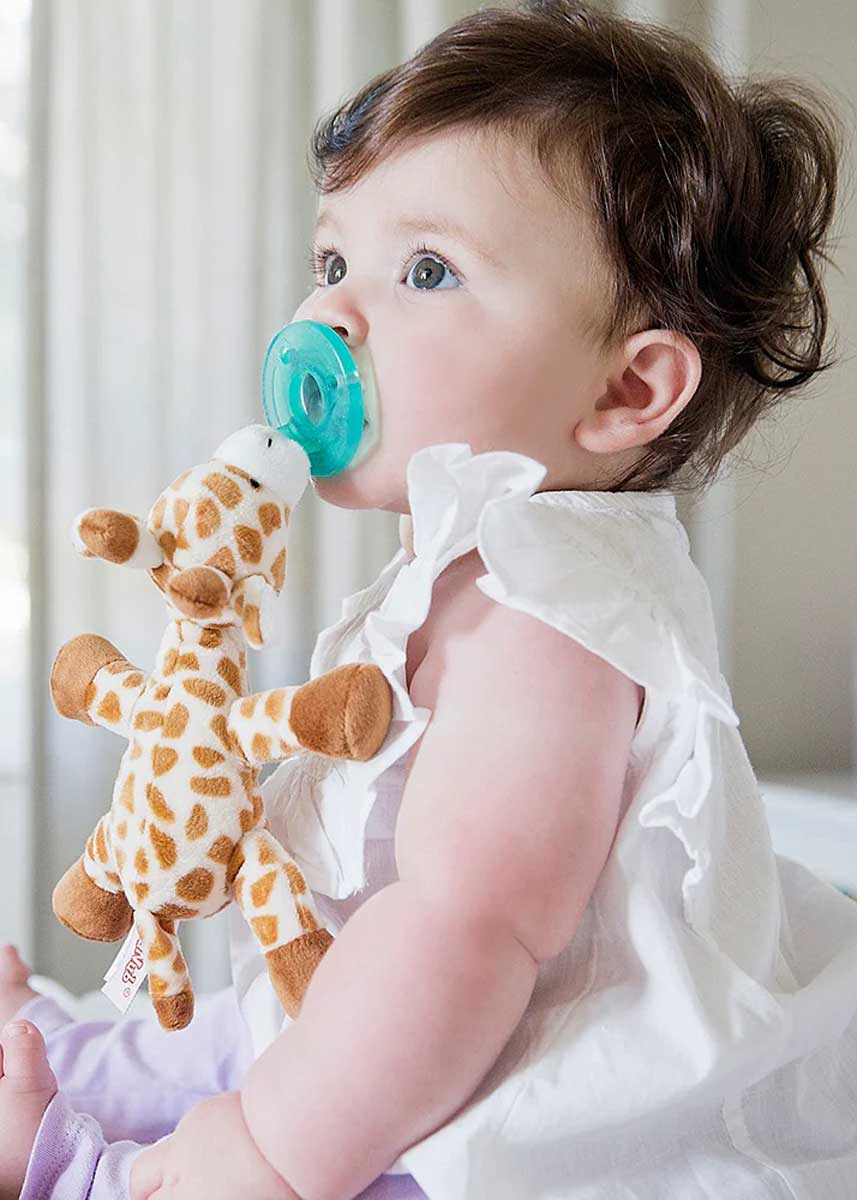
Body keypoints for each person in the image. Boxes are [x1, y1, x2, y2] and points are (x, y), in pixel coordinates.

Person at [3, 1, 855, 1196]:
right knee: (257, 1031)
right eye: (331, 263)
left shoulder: (548, 622)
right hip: (385, 1025)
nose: (330, 315)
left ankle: (69, 1159)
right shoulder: (463, 569)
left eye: (425, 270)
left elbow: (463, 930)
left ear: (624, 392)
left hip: (512, 1092)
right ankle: (78, 1058)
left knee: (280, 1145)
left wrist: (271, 1152)